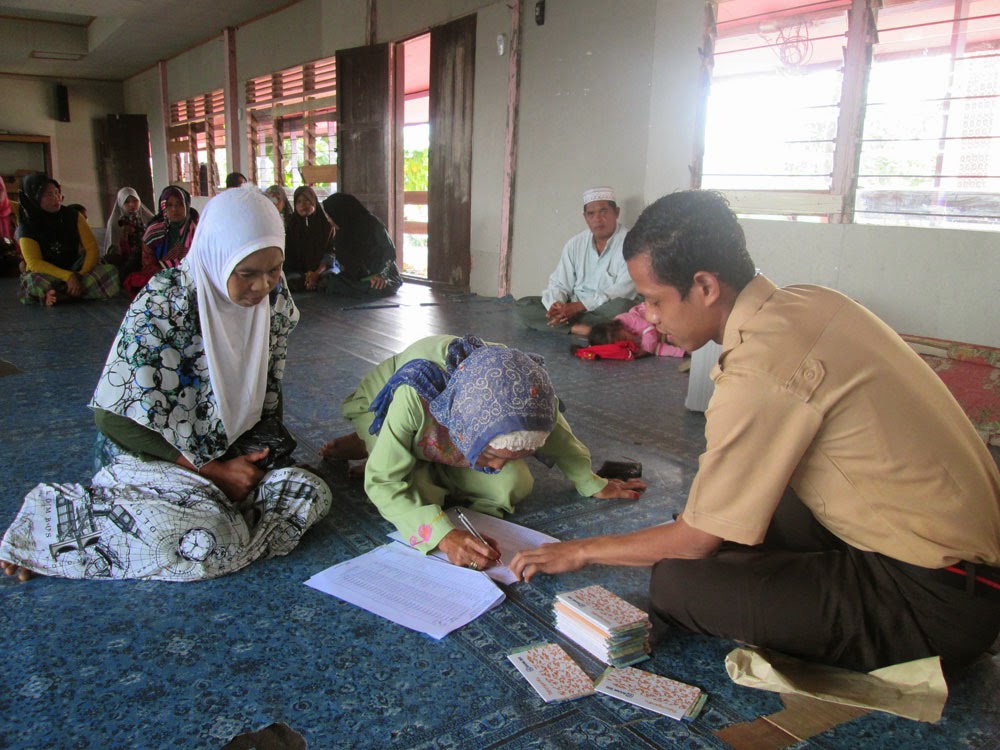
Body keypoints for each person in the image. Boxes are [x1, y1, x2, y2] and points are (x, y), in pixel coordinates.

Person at [510, 189, 1000, 673]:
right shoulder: (809, 300)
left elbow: (695, 541)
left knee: (679, 583)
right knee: (726, 514)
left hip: (937, 601)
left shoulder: (760, 370)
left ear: (704, 286)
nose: (650, 321)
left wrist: (579, 550)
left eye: (654, 301)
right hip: (947, 550)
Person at [0, 188, 332, 582]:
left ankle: (216, 520)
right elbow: (113, 419)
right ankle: (53, 523)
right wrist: (212, 470)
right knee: (206, 534)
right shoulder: (165, 305)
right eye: (247, 273)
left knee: (311, 492)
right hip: (151, 455)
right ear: (216, 255)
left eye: (274, 269)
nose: (263, 286)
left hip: (226, 448)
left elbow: (267, 390)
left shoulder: (275, 302)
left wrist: (257, 457)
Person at [320, 334, 646, 570]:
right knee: (416, 492)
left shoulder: (522, 390)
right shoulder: (414, 394)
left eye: (506, 457)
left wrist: (591, 482)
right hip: (389, 406)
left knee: (512, 485)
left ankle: (401, 454)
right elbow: (382, 484)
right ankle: (371, 438)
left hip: (458, 435)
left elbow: (558, 435)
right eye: (493, 455)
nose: (496, 465)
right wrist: (443, 537)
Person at [515, 186, 638, 336]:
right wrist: (556, 306)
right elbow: (560, 283)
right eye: (591, 214)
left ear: (616, 212)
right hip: (573, 308)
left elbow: (623, 291)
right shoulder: (575, 244)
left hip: (604, 308)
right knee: (523, 305)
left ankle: (568, 325)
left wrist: (579, 307)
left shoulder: (631, 243)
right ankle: (582, 328)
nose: (598, 219)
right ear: (585, 217)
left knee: (623, 306)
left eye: (604, 211)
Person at [16, 172, 119, 305]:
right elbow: (35, 263)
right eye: (49, 194)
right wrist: (67, 276)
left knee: (109, 272)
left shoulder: (73, 216)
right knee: (32, 281)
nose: (56, 198)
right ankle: (72, 293)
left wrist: (78, 275)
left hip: (76, 269)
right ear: (34, 198)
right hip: (48, 274)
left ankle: (59, 295)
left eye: (57, 192)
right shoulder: (27, 225)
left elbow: (92, 250)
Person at [319, 192, 402, 298]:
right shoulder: (342, 232)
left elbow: (388, 251)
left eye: (329, 215)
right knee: (332, 283)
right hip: (358, 278)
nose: (328, 219)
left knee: (378, 287)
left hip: (382, 276)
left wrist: (381, 275)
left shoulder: (373, 225)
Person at [123, 185, 197, 299]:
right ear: (163, 208)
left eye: (179, 204)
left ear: (186, 206)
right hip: (161, 279)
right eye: (169, 205)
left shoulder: (197, 230)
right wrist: (170, 277)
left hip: (193, 279)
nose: (174, 209)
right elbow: (148, 264)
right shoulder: (154, 232)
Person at [576, 302, 687, 359]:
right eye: (619, 342)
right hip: (661, 334)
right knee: (659, 347)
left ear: (616, 327)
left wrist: (645, 349)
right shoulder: (627, 345)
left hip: (658, 315)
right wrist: (680, 352)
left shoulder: (625, 319)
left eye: (622, 337)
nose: (625, 339)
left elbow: (649, 329)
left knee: (677, 331)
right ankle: (686, 352)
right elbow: (655, 347)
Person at [284, 186, 335, 292]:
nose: (303, 205)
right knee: (293, 282)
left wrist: (316, 273)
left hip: (323, 269)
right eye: (299, 202)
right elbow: (289, 255)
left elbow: (330, 253)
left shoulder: (327, 225)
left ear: (314, 201)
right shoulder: (291, 226)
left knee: (329, 280)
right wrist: (307, 275)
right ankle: (308, 282)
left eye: (307, 200)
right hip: (298, 271)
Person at [103, 187, 154, 278]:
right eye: (126, 202)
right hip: (126, 260)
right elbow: (113, 246)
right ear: (120, 203)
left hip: (147, 256)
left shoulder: (147, 218)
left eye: (135, 201)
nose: (132, 204)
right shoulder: (115, 223)